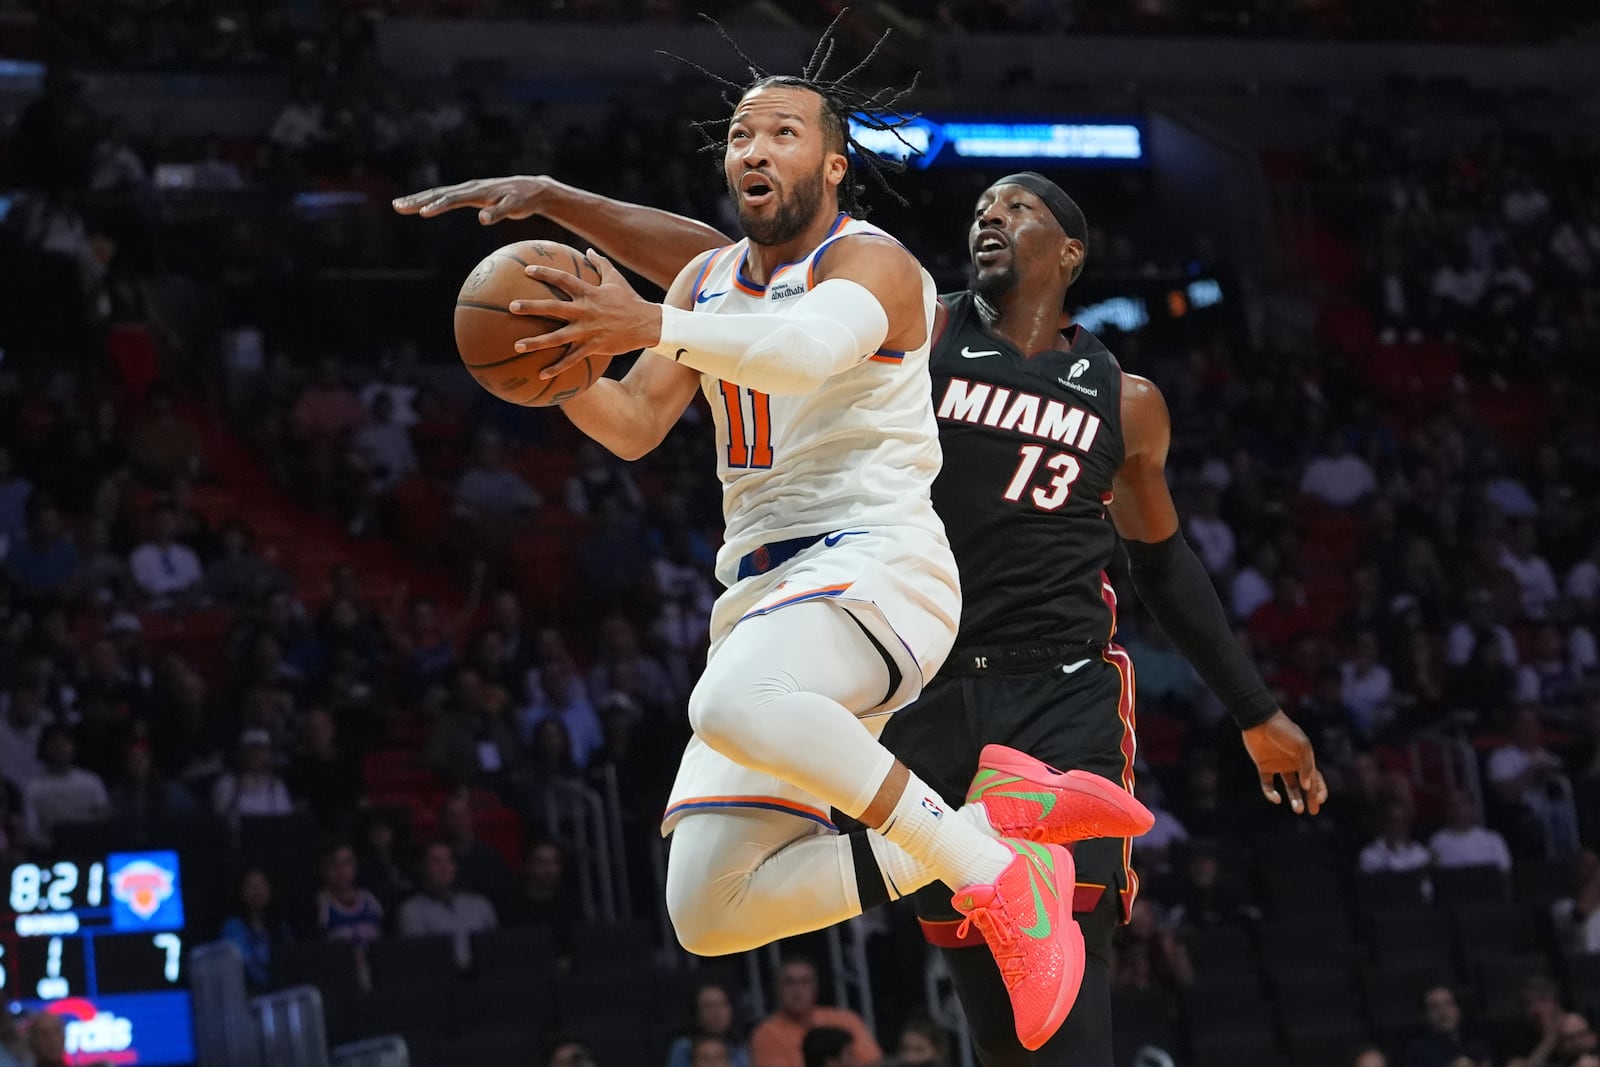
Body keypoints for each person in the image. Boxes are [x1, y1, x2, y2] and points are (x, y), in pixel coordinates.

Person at [395, 33, 1324, 1063]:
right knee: (707, 903)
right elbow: (631, 420)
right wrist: (561, 362)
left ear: (831, 163)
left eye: (783, 131)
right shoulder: (707, 291)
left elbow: (796, 352)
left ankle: (988, 866)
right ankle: (996, 828)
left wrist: (647, 320)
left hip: (879, 567)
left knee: (727, 704)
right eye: (742, 132)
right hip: (767, 604)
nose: (756, 145)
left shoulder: (871, 262)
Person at [750, 958, 879, 1067]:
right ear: (777, 989)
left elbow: (872, 1062)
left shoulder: (845, 1020)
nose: (798, 990)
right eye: (789, 983)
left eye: (804, 982)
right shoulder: (766, 1034)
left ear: (816, 987)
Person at [219, 866, 293, 991]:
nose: (257, 891)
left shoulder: (281, 927)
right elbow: (244, 966)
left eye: (262, 885)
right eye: (251, 886)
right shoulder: (233, 927)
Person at [667, 983, 752, 1067]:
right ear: (697, 1014)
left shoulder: (739, 1047)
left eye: (723, 1004)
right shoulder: (684, 1048)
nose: (718, 1013)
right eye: (709, 1006)